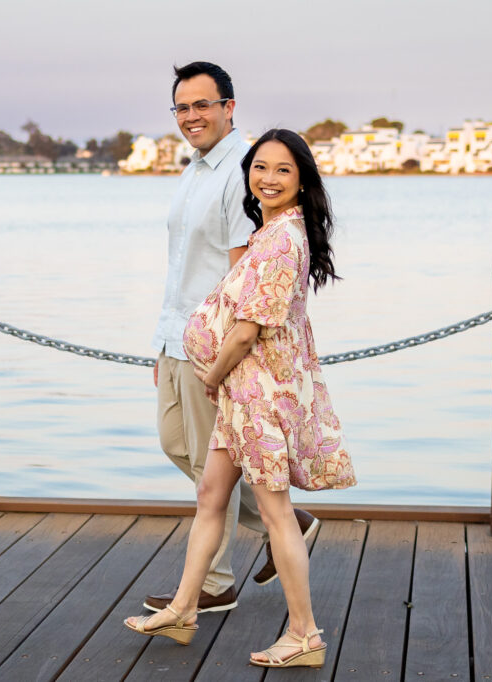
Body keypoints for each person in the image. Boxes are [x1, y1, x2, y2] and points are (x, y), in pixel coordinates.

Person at [126, 128, 356, 669]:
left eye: (282, 170)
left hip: (255, 393)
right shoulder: (271, 230)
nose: (268, 179)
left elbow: (248, 330)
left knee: (277, 514)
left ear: (302, 180)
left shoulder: (281, 240)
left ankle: (303, 634)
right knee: (210, 493)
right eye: (259, 168)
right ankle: (184, 608)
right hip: (242, 391)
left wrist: (213, 375)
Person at [147, 62, 318, 616]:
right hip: (178, 340)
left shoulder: (241, 170)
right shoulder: (193, 169)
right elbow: (180, 264)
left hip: (218, 351)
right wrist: (165, 343)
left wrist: (222, 362)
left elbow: (241, 277)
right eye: (182, 107)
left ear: (229, 106)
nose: (191, 116)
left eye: (203, 105)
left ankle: (214, 583)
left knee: (208, 466)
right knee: (178, 445)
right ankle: (291, 522)